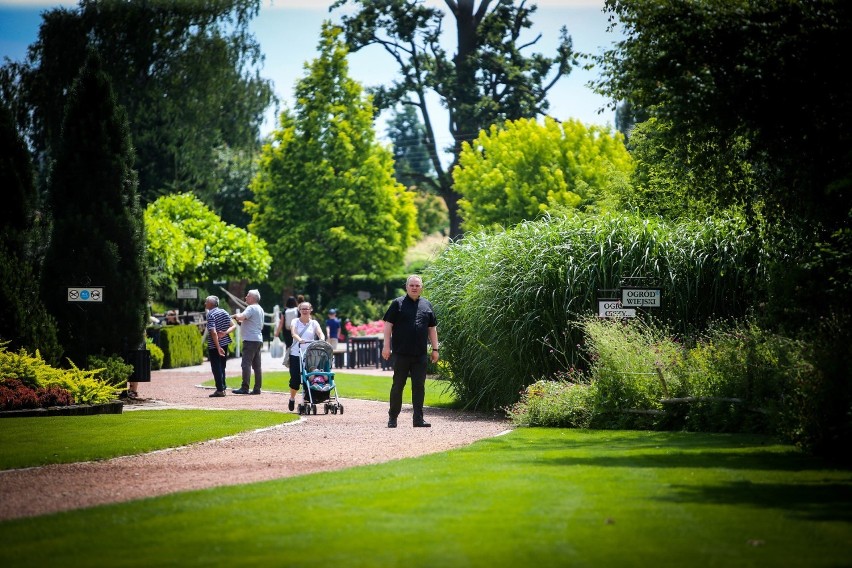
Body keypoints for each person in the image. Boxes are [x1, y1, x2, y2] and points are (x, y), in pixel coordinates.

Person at [381, 275, 439, 428]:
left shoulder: (427, 305)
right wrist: (386, 346)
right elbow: (388, 326)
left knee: (419, 386)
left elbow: (432, 329)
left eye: (417, 285)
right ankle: (393, 417)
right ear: (406, 287)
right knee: (398, 385)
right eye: (411, 285)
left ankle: (418, 419)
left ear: (422, 287)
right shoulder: (397, 304)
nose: (414, 287)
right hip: (401, 353)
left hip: (420, 354)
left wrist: (435, 349)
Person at [287, 301, 325, 411]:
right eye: (302, 309)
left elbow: (320, 332)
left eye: (306, 308)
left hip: (310, 355)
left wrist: (321, 339)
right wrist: (300, 340)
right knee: (295, 379)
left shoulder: (314, 323)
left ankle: (306, 399)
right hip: (296, 353)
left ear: (310, 310)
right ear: (299, 310)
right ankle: (292, 398)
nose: (304, 310)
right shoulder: (295, 321)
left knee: (309, 377)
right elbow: (293, 333)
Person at [232, 289, 265, 395]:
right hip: (257, 339)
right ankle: (257, 388)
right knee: (257, 366)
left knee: (246, 364)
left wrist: (235, 316)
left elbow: (241, 317)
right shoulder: (260, 308)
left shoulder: (251, 308)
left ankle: (244, 387)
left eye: (248, 295)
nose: (246, 297)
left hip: (250, 340)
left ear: (252, 298)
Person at [205, 295, 236, 397]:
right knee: (222, 366)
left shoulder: (210, 314)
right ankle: (223, 386)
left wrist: (218, 347)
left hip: (215, 345)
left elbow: (213, 332)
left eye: (206, 302)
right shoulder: (223, 312)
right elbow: (234, 326)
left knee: (216, 367)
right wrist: (225, 333)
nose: (205, 304)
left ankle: (220, 389)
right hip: (225, 342)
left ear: (211, 304)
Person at [275, 296, 299, 367]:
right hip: (296, 331)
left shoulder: (284, 310)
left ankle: (289, 361)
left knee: (289, 347)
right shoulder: (297, 310)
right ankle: (296, 360)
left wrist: (277, 333)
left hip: (287, 332)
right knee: (296, 346)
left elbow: (281, 322)